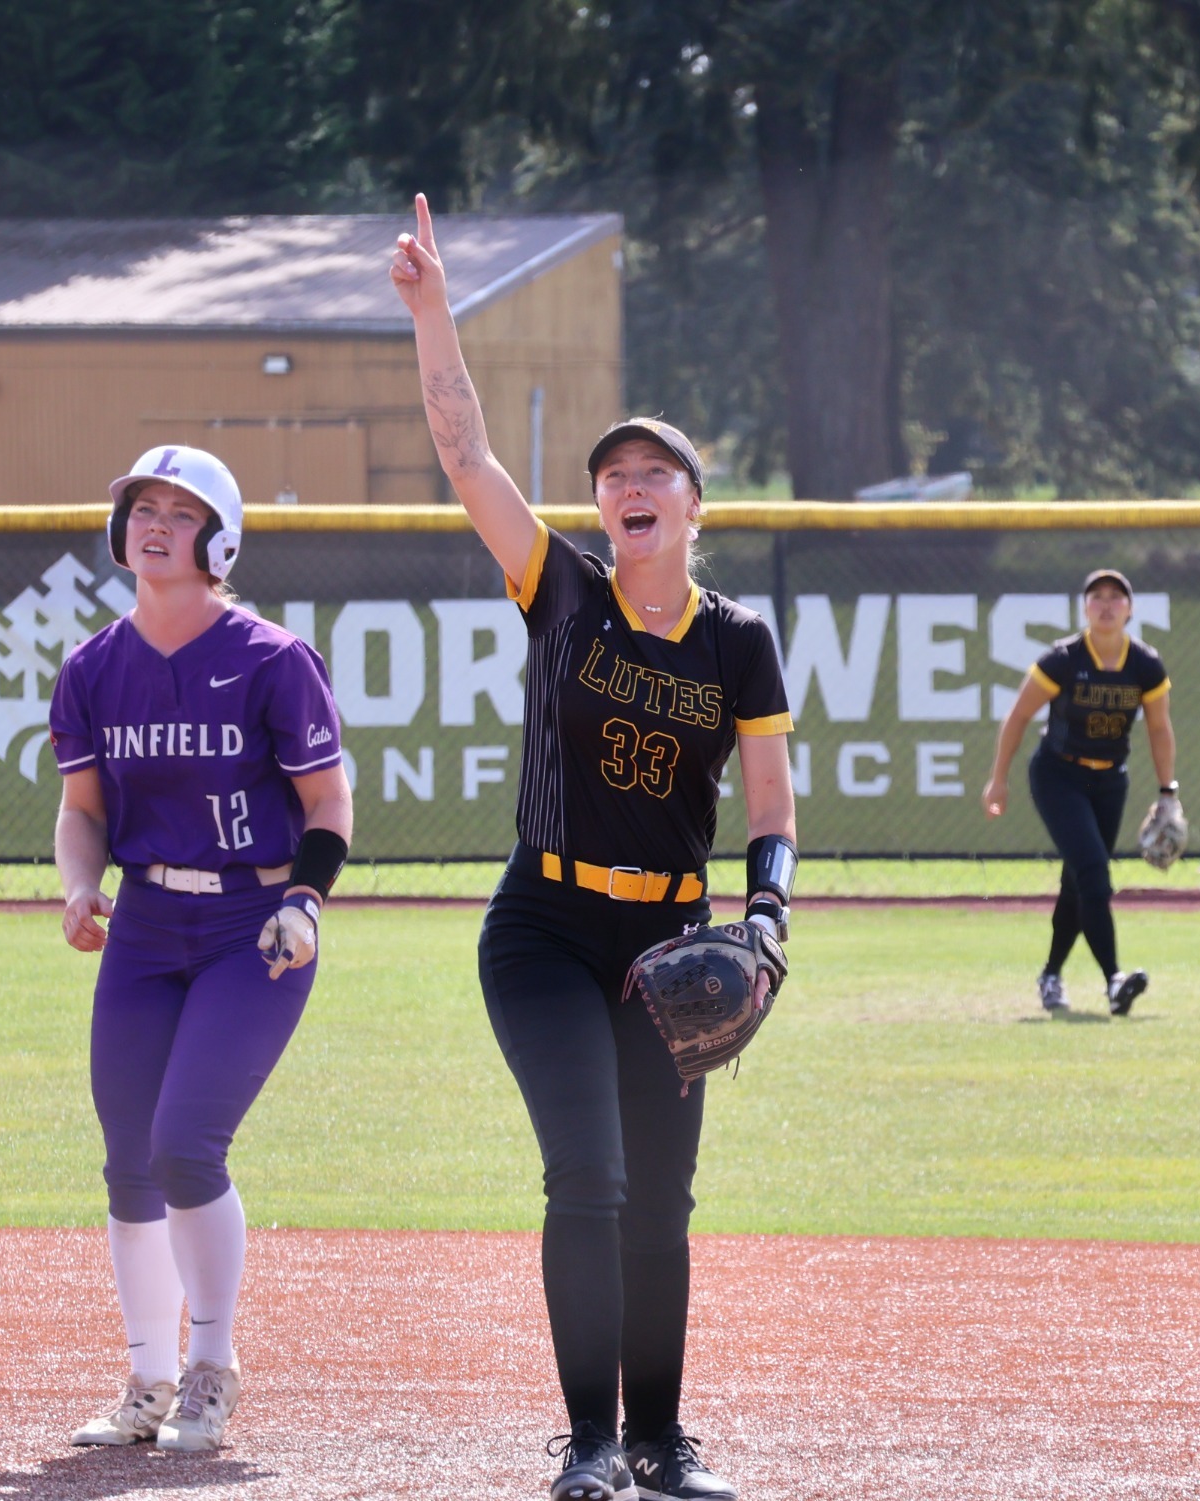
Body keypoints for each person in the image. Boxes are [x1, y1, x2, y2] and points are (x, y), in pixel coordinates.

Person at [392, 194, 798, 1501]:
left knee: (663, 1207)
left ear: (693, 507)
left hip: (672, 939)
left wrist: (771, 914)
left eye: (653, 474)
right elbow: (462, 452)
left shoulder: (738, 642)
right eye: (612, 475)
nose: (627, 486)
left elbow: (774, 803)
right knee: (590, 1176)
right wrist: (431, 313)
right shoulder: (561, 590)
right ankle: (587, 1447)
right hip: (548, 931)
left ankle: (664, 1442)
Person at [50, 445, 354, 1453]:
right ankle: (146, 1379)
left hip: (252, 927)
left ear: (218, 540)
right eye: (142, 505)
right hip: (143, 924)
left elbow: (327, 800)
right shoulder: (94, 666)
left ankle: (211, 1370)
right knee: (129, 1165)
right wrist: (79, 884)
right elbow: (82, 809)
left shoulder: (270, 657)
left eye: (180, 511)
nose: (153, 522)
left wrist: (307, 899)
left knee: (185, 1147)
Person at [981, 568, 1176, 1017]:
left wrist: (1168, 792)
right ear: (1085, 608)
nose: (1106, 604)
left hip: (1110, 781)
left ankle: (1051, 975)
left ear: (1129, 609)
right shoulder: (1064, 659)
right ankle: (1114, 981)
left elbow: (1161, 729)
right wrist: (999, 778)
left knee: (1079, 879)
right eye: (1097, 597)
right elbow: (1017, 716)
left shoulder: (1145, 664)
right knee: (1093, 871)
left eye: (1116, 597)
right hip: (1058, 775)